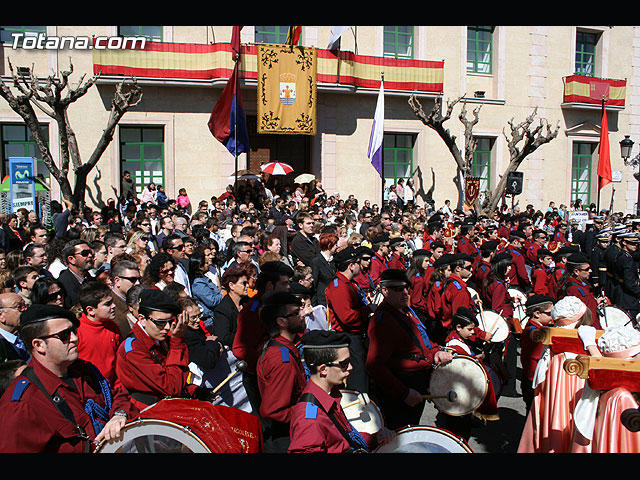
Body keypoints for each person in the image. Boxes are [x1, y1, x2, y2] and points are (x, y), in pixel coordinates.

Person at [0, 304, 138, 453]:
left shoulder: (84, 370)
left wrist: (119, 415)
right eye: (64, 335)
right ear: (39, 345)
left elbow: (116, 396)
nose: (75, 338)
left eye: (74, 331)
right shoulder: (23, 404)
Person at [366, 269, 453, 430]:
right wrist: (403, 393)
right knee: (401, 434)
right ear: (384, 291)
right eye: (398, 289)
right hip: (401, 386)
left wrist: (435, 352)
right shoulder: (383, 320)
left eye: (407, 287)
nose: (405, 292)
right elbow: (375, 365)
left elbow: (421, 341)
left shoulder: (406, 311)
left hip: (416, 382)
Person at [289, 329, 396, 453]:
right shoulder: (309, 419)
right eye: (344, 363)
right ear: (323, 369)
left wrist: (374, 438)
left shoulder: (330, 396)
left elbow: (342, 441)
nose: (350, 367)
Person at [115, 289, 198, 411]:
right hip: (149, 414)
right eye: (160, 322)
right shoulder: (133, 350)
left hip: (168, 406)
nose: (167, 327)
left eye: (170, 321)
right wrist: (177, 342)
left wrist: (194, 391)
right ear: (142, 319)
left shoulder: (160, 338)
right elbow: (171, 387)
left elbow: (177, 376)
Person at [256, 290, 308, 453]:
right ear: (281, 322)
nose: (303, 313)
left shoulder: (282, 349)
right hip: (288, 438)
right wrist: (311, 409)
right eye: (296, 312)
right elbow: (272, 410)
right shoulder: (281, 360)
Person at [325, 246, 375, 393]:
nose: (361, 266)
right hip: (349, 337)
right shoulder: (339, 286)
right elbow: (347, 318)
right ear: (351, 265)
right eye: (358, 262)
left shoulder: (348, 283)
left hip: (356, 335)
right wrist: (368, 310)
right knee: (357, 375)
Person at [76, 282, 122, 386]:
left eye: (112, 302)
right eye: (107, 304)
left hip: (114, 388)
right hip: (90, 391)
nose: (114, 306)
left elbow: (120, 361)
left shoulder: (112, 327)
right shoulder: (77, 332)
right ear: (91, 310)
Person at [520, 294, 555, 413]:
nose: (552, 317)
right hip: (533, 381)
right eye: (549, 313)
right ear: (537, 313)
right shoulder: (535, 333)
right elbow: (534, 359)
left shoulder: (535, 328)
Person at [58, 239, 96, 309]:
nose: (90, 255)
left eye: (90, 252)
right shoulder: (62, 284)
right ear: (71, 259)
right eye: (84, 253)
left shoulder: (92, 280)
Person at [109, 260, 141, 338]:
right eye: (132, 280)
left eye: (139, 279)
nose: (137, 283)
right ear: (117, 281)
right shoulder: (109, 307)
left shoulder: (139, 300)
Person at [310, 232, 338, 307]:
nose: (337, 247)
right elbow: (314, 285)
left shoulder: (334, 261)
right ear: (329, 246)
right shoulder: (316, 262)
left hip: (334, 298)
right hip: (323, 300)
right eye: (335, 244)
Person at [0, 293, 29, 362]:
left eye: (25, 306)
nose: (25, 310)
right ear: (1, 315)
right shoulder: (2, 345)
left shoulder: (28, 334)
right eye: (19, 307)